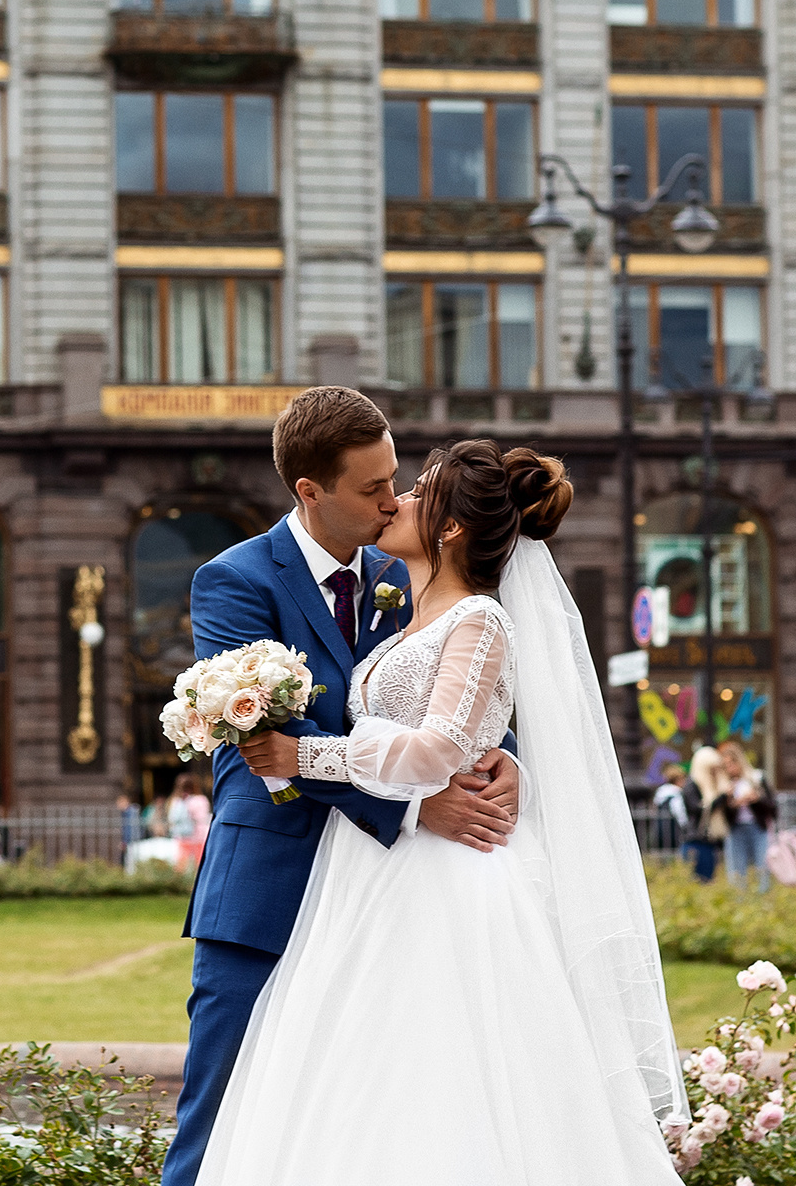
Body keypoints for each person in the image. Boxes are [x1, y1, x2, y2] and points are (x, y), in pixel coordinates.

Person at [213, 440, 679, 1182]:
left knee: (450, 1070)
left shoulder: (480, 619)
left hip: (449, 876)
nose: (397, 500)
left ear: (453, 527)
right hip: (364, 871)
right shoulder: (402, 608)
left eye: (416, 490)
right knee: (360, 1072)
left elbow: (438, 749)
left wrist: (306, 756)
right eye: (387, 487)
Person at [160, 390, 523, 1186]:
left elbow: (459, 694)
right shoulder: (234, 580)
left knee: (374, 1119)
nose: (393, 500)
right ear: (310, 491)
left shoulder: (408, 568)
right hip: (271, 888)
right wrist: (417, 803)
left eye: (396, 480)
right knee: (221, 1119)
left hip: (393, 904)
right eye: (373, 487)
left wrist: (508, 761)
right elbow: (259, 750)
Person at [718, 739, 774, 893]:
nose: (730, 768)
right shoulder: (725, 785)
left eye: (732, 763)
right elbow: (723, 814)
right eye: (726, 765)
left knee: (763, 868)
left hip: (758, 827)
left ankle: (763, 898)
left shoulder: (756, 778)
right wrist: (730, 801)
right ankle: (740, 899)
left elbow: (772, 806)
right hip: (735, 829)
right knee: (737, 871)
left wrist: (756, 799)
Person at [683, 743, 727, 882]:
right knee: (699, 880)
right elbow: (696, 809)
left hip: (711, 841)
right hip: (697, 839)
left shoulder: (713, 786)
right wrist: (721, 798)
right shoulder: (691, 785)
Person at [650, 763, 690, 854]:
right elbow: (679, 813)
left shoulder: (661, 793)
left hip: (660, 829)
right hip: (672, 830)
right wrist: (685, 826)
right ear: (677, 780)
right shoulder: (676, 794)